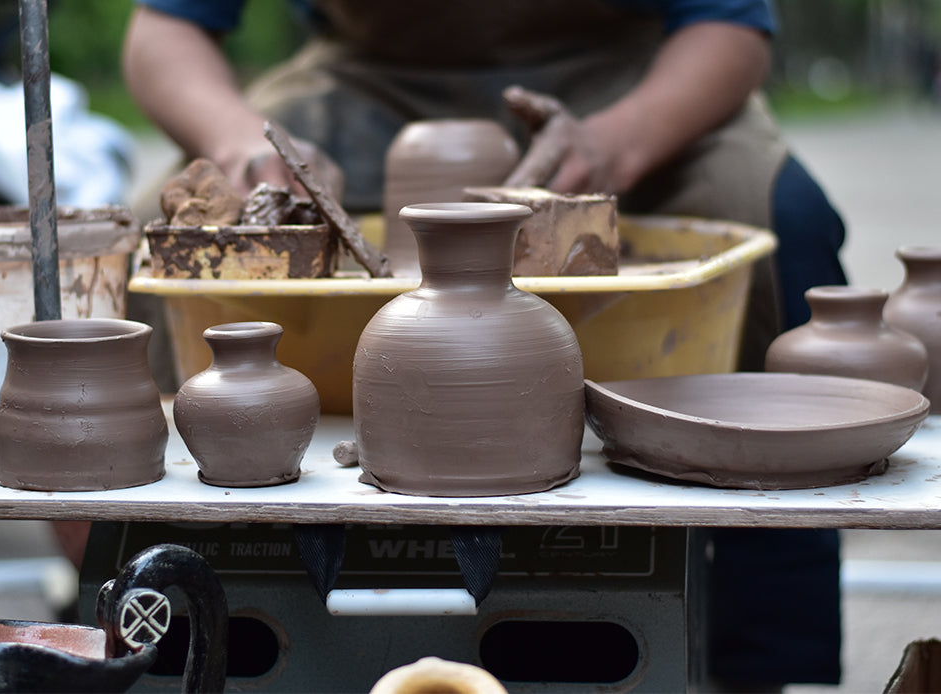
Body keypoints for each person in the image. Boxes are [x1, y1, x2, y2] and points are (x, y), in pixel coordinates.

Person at [122, 1, 846, 688]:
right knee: (161, 256)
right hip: (361, 85)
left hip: (616, 82)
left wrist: (617, 143)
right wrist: (243, 144)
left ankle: (754, 658)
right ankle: (159, 627)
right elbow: (165, 31)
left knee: (785, 219)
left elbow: (731, 24)